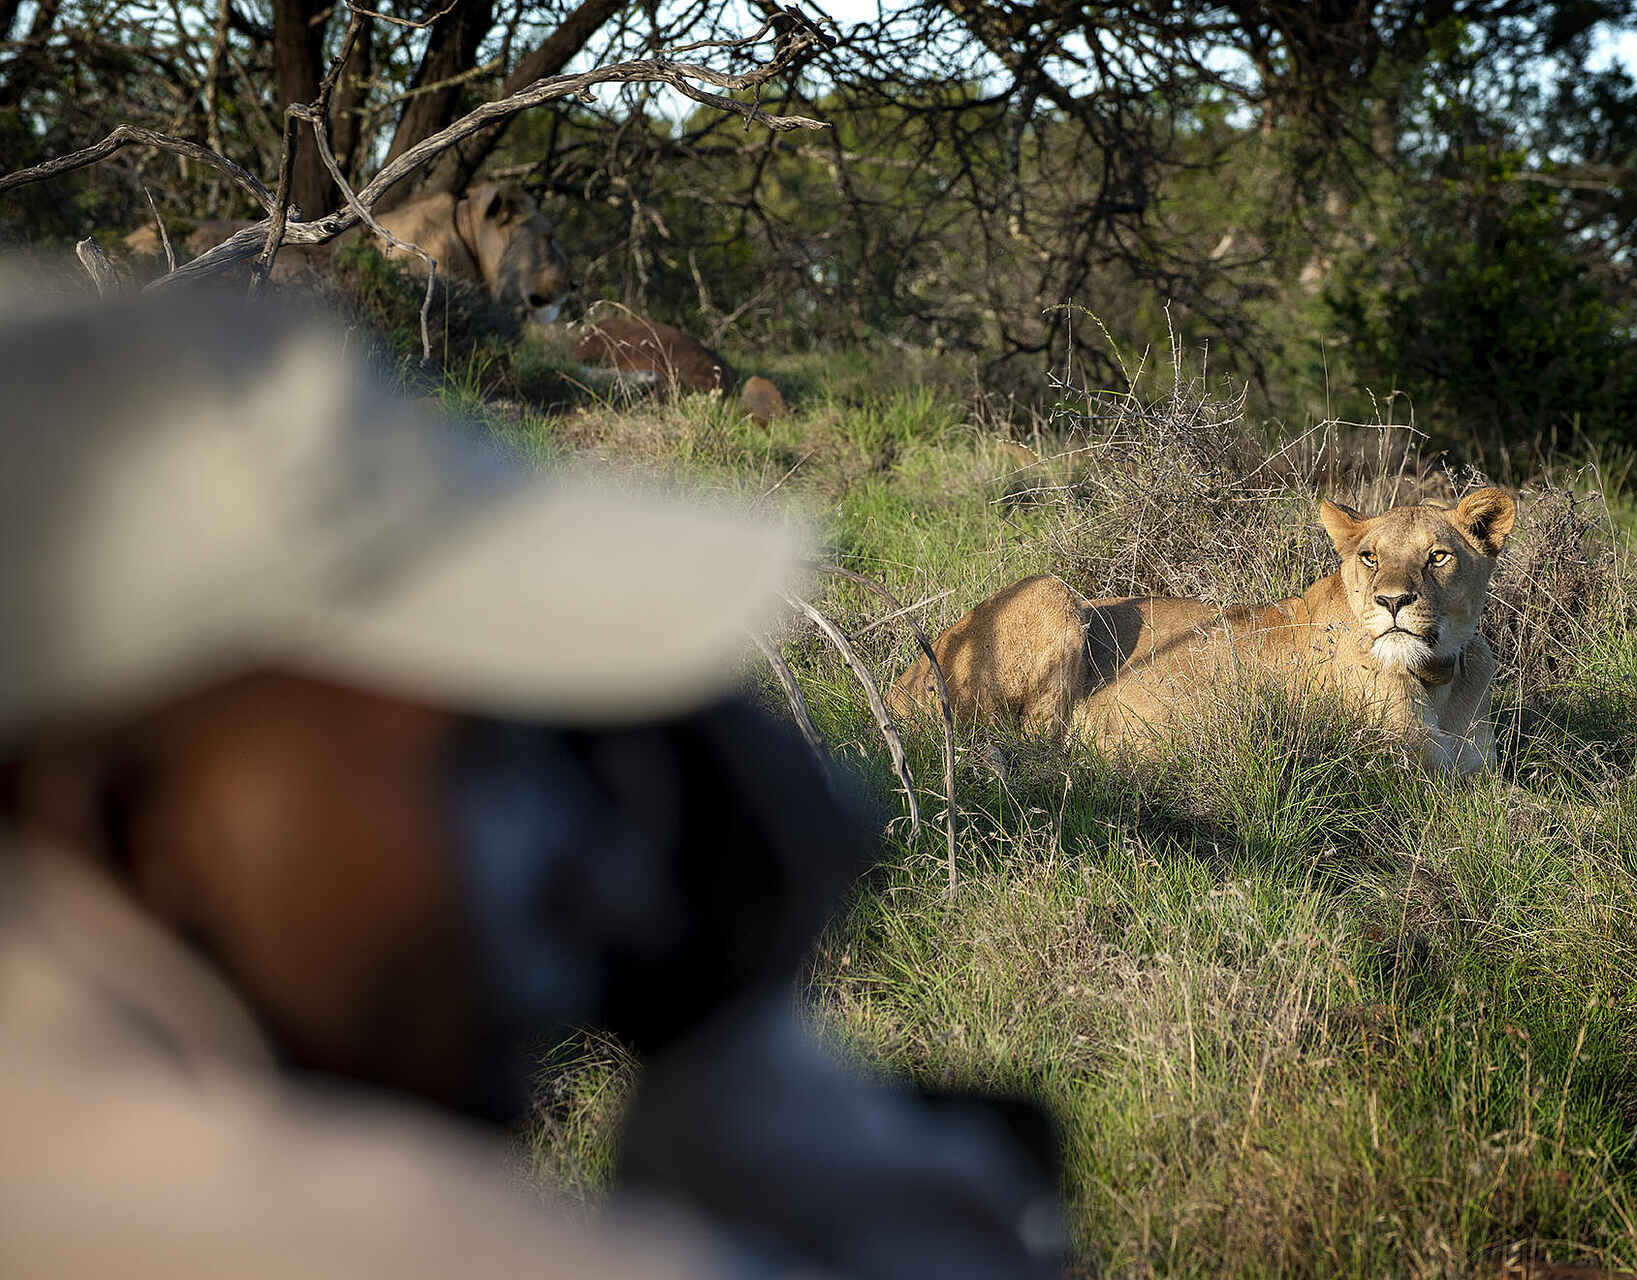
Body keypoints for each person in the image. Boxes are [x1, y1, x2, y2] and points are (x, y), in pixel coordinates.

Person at [0, 281, 1064, 1278]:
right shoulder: (327, 1234)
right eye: (477, 762)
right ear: (124, 810)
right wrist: (735, 1039)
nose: (594, 870)